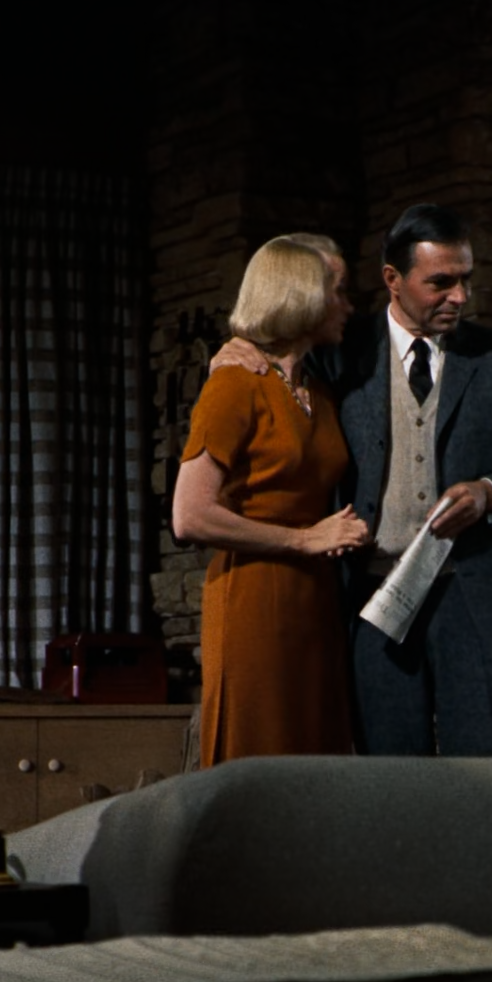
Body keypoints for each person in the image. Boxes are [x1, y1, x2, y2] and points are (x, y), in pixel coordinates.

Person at [216, 204, 492, 756]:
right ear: (393, 279)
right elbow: (273, 375)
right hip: (372, 599)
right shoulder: (341, 351)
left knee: (491, 776)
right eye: (441, 282)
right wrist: (232, 352)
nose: (460, 296)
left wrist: (489, 493)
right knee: (389, 777)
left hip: (474, 598)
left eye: (466, 280)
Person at [172, 235, 369, 767]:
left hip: (315, 598)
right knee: (261, 756)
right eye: (338, 291)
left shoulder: (317, 389)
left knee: (315, 758)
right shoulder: (235, 383)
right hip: (255, 593)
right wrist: (303, 539)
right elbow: (189, 515)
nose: (348, 305)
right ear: (301, 295)